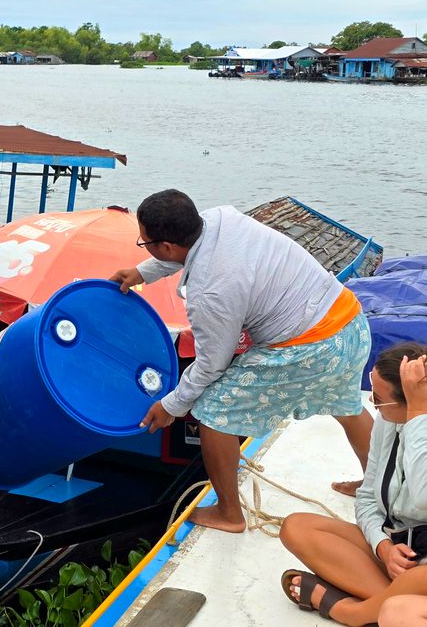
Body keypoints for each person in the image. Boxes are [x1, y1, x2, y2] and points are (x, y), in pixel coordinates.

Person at [109, 189, 374, 532]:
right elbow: (184, 251)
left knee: (214, 413)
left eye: (145, 243)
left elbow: (211, 365)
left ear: (166, 246)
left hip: (310, 349)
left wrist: (171, 405)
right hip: (349, 322)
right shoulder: (221, 217)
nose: (144, 246)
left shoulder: (210, 292)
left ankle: (228, 513)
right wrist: (143, 272)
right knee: (348, 405)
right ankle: (376, 491)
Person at [278, 343, 427, 626]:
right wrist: (383, 547)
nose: (372, 402)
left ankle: (354, 613)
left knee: (421, 577)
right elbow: (368, 496)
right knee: (296, 527)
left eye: (380, 399)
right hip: (400, 551)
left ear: (408, 400)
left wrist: (419, 417)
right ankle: (385, 605)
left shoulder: (414, 417)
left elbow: (424, 497)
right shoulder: (387, 421)